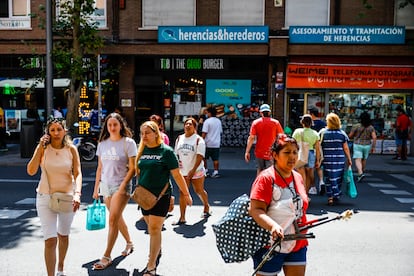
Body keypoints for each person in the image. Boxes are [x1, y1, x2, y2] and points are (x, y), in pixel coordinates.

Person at [27, 117, 82, 276]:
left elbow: (77, 173)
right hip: (45, 197)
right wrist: (39, 147)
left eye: (59, 129)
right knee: (50, 240)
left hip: (67, 198)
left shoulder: (71, 149)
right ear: (48, 132)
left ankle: (61, 267)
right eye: (52, 130)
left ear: (65, 131)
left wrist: (77, 194)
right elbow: (30, 171)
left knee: (63, 236)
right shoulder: (43, 149)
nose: (56, 133)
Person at [136, 121, 193, 276]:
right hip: (144, 197)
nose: (144, 136)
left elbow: (176, 174)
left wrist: (186, 194)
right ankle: (157, 248)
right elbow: (139, 172)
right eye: (142, 133)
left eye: (147, 132)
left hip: (161, 196)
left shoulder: (166, 152)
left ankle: (151, 265)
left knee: (154, 229)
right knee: (151, 228)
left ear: (156, 133)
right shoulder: (142, 150)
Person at [249, 134, 309, 276]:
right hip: (270, 245)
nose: (292, 157)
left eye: (295, 152)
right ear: (275, 155)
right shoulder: (265, 178)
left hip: (297, 244)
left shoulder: (298, 177)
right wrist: (273, 226)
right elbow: (255, 210)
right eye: (287, 152)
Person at [92, 112, 137, 270]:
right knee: (116, 218)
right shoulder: (102, 143)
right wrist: (96, 188)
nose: (112, 127)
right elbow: (100, 168)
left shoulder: (128, 143)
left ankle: (107, 256)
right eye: (109, 125)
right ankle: (130, 243)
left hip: (121, 186)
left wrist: (124, 185)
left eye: (115, 125)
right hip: (106, 185)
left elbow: (133, 168)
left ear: (120, 125)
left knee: (112, 220)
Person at [173, 117, 210, 225]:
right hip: (183, 170)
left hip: (196, 170)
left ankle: (206, 205)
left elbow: (199, 157)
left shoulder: (198, 140)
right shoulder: (179, 138)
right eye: (186, 124)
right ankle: (182, 217)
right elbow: (176, 154)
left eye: (190, 124)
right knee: (183, 192)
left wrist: (193, 170)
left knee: (198, 190)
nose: (188, 126)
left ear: (195, 127)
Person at [320, 113, 352, 206]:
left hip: (327, 159)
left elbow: (318, 146)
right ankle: (336, 194)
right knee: (337, 177)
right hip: (339, 159)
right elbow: (346, 148)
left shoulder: (323, 132)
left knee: (329, 177)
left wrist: (318, 158)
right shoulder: (342, 133)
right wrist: (349, 158)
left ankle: (330, 196)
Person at [245, 103, 284, 176]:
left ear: (260, 112)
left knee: (260, 170)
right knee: (271, 171)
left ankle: (259, 186)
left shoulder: (256, 123)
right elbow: (281, 137)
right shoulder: (276, 122)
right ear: (269, 112)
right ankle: (269, 186)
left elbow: (251, 138)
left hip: (259, 151)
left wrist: (247, 151)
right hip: (272, 152)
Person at [292, 114, 320, 195]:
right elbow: (317, 149)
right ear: (311, 123)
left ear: (302, 122)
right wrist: (317, 160)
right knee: (308, 175)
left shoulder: (297, 132)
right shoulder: (315, 133)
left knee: (301, 175)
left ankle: (301, 193)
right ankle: (305, 194)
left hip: (300, 153)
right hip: (310, 153)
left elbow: (292, 144)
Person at [348, 111, 377, 182]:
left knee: (358, 159)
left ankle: (360, 173)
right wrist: (373, 147)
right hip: (367, 145)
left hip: (357, 144)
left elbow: (350, 136)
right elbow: (374, 137)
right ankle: (361, 173)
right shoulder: (371, 127)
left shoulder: (356, 126)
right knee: (364, 159)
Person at [308, 107, 326, 195]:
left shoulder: (309, 124)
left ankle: (313, 186)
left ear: (311, 114)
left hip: (311, 148)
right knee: (319, 166)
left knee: (311, 169)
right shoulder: (323, 124)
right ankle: (321, 182)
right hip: (320, 148)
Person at [202, 107, 223, 178]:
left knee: (204, 158)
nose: (206, 114)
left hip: (207, 143)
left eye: (207, 112)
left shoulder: (207, 121)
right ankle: (216, 171)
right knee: (215, 159)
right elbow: (220, 132)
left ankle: (206, 171)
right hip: (216, 143)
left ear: (210, 113)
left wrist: (201, 141)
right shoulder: (218, 121)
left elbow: (204, 133)